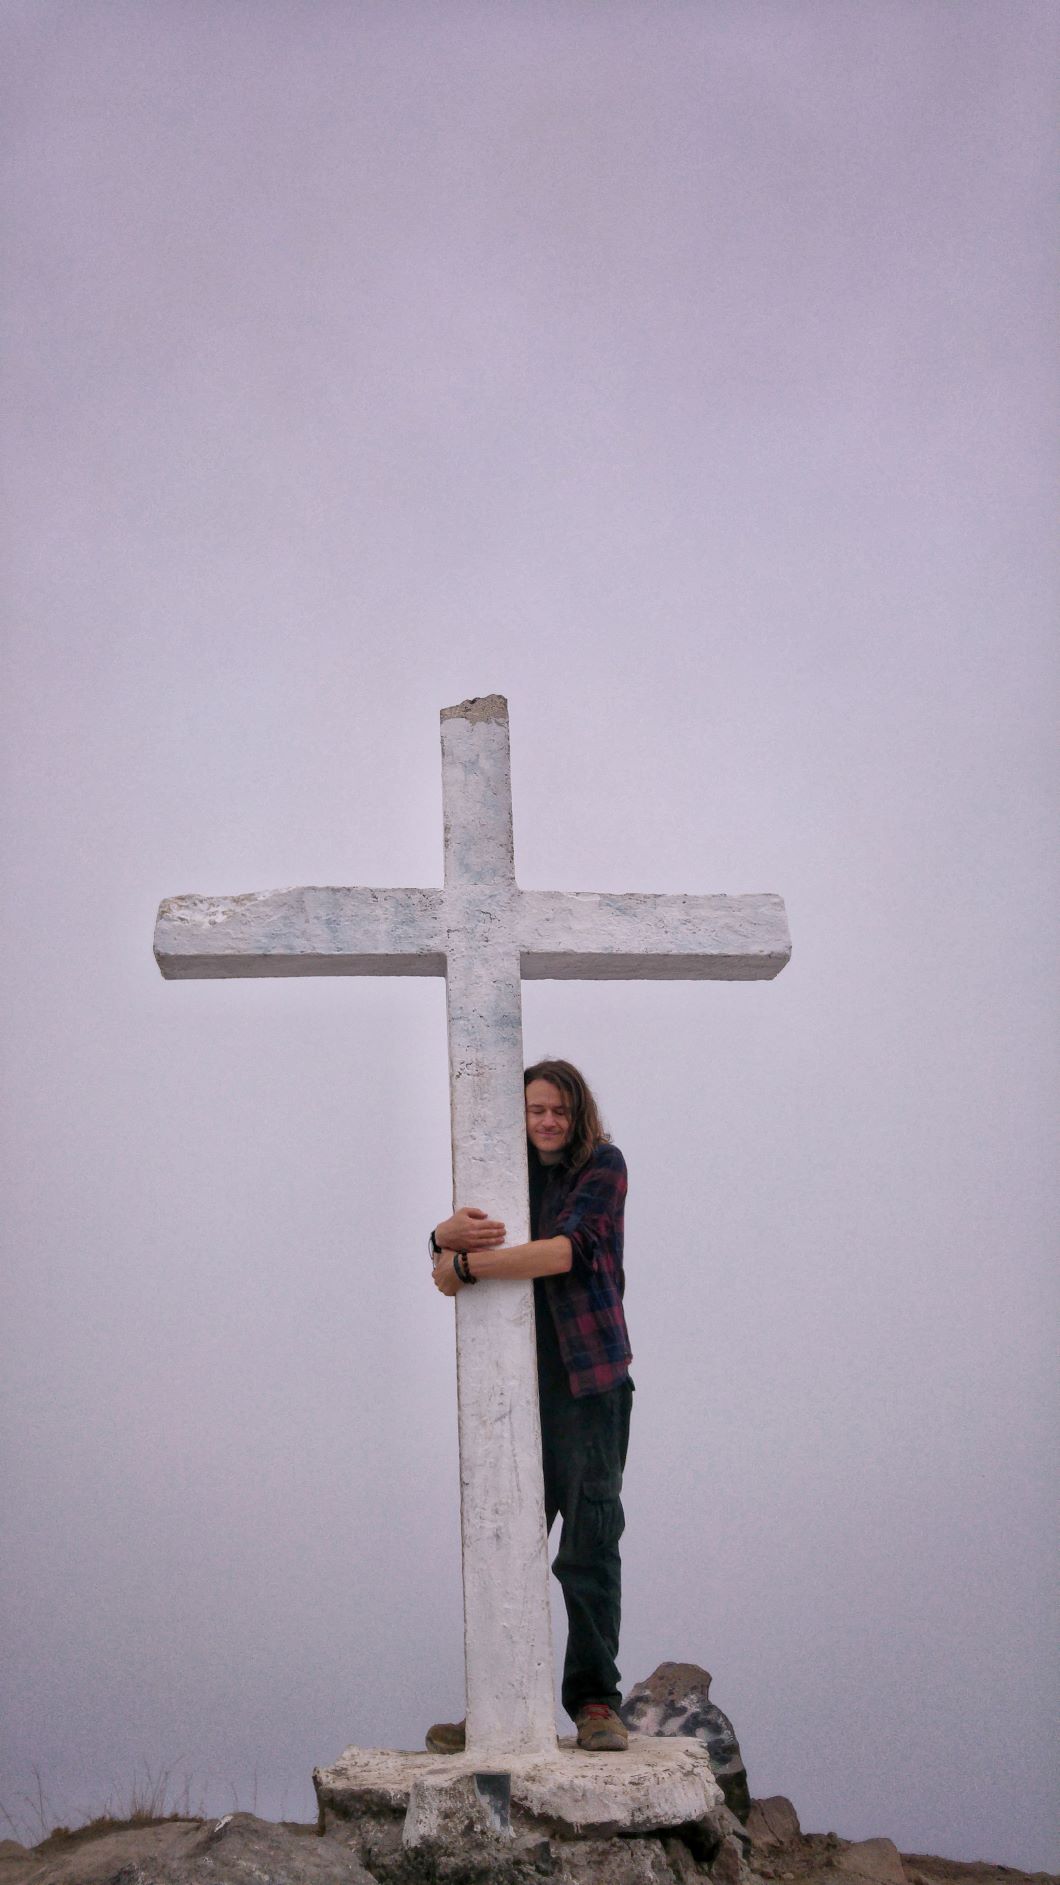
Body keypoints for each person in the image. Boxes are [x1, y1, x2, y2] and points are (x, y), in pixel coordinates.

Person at [427, 1058, 633, 1754]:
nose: (546, 1122)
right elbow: (448, 1262)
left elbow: (563, 1252)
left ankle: (596, 1702)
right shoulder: (509, 1177)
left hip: (590, 1386)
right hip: (517, 1387)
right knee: (506, 1543)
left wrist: (461, 1264)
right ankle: (500, 1708)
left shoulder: (603, 1165)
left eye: (559, 1111)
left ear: (578, 1116)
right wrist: (441, 1238)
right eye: (534, 1109)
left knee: (588, 1545)